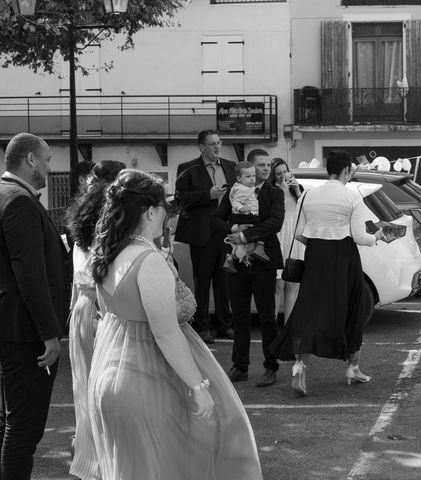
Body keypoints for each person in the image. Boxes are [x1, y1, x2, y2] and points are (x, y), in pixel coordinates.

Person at [88, 169, 262, 480]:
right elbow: (166, 333)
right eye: (165, 205)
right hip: (146, 381)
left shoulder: (109, 253)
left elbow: (106, 315)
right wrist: (199, 387)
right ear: (150, 211)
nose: (168, 213)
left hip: (110, 374)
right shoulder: (146, 259)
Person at [270, 150, 385, 397]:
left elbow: (300, 233)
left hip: (315, 257)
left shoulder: (308, 195)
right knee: (352, 310)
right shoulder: (352, 197)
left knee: (309, 310)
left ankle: (299, 365)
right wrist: (378, 235)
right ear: (346, 171)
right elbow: (361, 237)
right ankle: (353, 368)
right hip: (345, 258)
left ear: (327, 169)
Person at [0, 133, 71, 479]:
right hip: (25, 333)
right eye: (46, 160)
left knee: (11, 423)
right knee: (24, 429)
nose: (48, 167)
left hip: (11, 326)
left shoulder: (7, 195)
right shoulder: (19, 201)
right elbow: (29, 273)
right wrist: (50, 334)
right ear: (29, 160)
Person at [63, 159, 125, 479]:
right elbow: (103, 277)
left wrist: (73, 310)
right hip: (100, 310)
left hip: (81, 311)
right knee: (103, 389)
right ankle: (99, 458)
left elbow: (77, 278)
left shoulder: (80, 222)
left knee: (84, 387)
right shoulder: (108, 223)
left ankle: (86, 451)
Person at [214, 149, 284, 387]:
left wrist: (244, 235)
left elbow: (275, 222)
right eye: (261, 165)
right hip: (236, 262)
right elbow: (217, 220)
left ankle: (271, 367)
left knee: (267, 317)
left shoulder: (275, 193)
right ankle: (240, 366)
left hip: (263, 262)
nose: (265, 169)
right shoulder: (234, 191)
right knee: (240, 316)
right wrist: (233, 231)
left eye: (268, 165)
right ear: (248, 169)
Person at [174, 130, 236, 343]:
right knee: (203, 282)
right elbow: (180, 199)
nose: (217, 147)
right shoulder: (188, 168)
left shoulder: (229, 166)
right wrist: (207, 195)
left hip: (225, 232)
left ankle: (224, 324)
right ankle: (202, 326)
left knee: (224, 281)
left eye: (219, 143)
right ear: (202, 146)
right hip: (202, 233)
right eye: (212, 144)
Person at [270, 158, 304, 324]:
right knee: (278, 284)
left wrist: (297, 191)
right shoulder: (270, 191)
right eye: (278, 174)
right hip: (279, 236)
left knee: (293, 284)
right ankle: (273, 325)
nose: (283, 176)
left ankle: (288, 327)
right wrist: (281, 191)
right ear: (273, 176)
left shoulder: (297, 189)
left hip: (294, 237)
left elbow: (306, 211)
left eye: (285, 172)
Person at [222, 161, 269, 272]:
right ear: (239, 178)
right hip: (244, 215)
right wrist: (241, 208)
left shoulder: (244, 187)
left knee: (240, 240)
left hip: (244, 215)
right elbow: (235, 202)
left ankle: (230, 257)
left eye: (253, 176)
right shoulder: (240, 189)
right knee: (261, 224)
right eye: (248, 176)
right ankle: (260, 247)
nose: (252, 179)